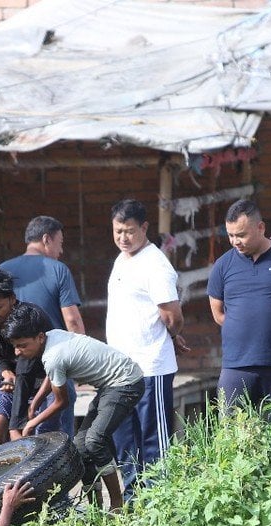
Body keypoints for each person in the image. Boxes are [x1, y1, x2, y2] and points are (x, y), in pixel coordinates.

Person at [4, 303, 144, 511]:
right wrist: (37, 401)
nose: (18, 352)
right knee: (80, 446)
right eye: (15, 346)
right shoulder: (52, 337)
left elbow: (62, 402)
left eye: (23, 345)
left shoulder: (53, 356)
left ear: (40, 337)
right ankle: (95, 506)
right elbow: (54, 376)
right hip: (110, 385)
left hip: (126, 383)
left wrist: (32, 422)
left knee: (95, 441)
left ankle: (116, 503)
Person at [105, 199, 187, 504]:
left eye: (129, 231)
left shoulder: (155, 263)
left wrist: (172, 336)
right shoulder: (121, 260)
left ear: (145, 228)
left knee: (153, 439)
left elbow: (172, 316)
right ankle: (133, 500)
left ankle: (160, 502)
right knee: (124, 437)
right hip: (120, 369)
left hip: (150, 366)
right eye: (117, 231)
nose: (123, 237)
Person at [207, 198, 271, 410]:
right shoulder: (223, 265)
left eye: (242, 235)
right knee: (232, 435)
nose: (236, 241)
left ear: (260, 227)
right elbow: (218, 314)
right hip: (236, 365)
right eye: (231, 235)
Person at [0, 216, 84, 436]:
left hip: (16, 369)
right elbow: (72, 321)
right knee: (58, 440)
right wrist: (81, 361)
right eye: (60, 243)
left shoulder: (3, 271)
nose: (61, 250)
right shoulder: (57, 270)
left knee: (19, 438)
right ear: (46, 239)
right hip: (53, 367)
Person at [0, 268, 53, 448]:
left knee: (41, 440)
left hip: (44, 384)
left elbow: (31, 368)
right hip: (10, 383)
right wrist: (6, 372)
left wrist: (15, 425)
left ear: (12, 299)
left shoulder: (32, 317)